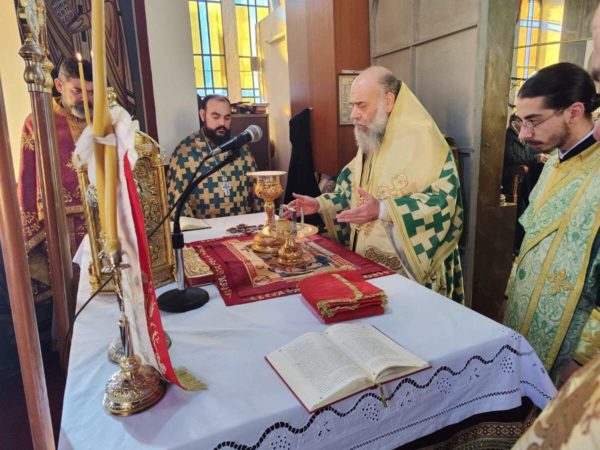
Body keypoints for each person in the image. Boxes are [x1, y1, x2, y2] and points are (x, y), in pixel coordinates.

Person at [288, 66, 464, 302]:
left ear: (388, 101)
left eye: (361, 105)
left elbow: (443, 204)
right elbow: (350, 191)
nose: (354, 114)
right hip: (366, 264)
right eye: (352, 105)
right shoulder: (374, 136)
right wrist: (319, 204)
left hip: (410, 273)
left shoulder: (427, 143)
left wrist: (383, 210)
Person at [502, 62, 600, 387]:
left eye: (534, 121)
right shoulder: (555, 161)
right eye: (521, 122)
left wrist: (585, 357)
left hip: (574, 347)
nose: (523, 134)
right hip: (526, 318)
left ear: (574, 112)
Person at [18, 57, 93, 304]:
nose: (86, 99)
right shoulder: (38, 121)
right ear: (59, 86)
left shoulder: (105, 118)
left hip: (103, 219)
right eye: (77, 91)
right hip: (61, 225)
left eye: (91, 92)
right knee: (69, 292)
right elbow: (27, 179)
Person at [167, 95, 261, 219]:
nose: (222, 123)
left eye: (227, 118)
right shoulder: (185, 153)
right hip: (204, 228)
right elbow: (178, 204)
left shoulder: (242, 148)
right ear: (203, 115)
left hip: (242, 226)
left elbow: (258, 193)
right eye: (216, 117)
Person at [502, 113, 551, 254]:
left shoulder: (522, 137)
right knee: (520, 213)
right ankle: (515, 248)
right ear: (514, 123)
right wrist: (535, 158)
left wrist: (542, 153)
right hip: (510, 182)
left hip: (524, 183)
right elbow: (513, 157)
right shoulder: (508, 137)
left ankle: (520, 246)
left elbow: (529, 153)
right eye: (523, 121)